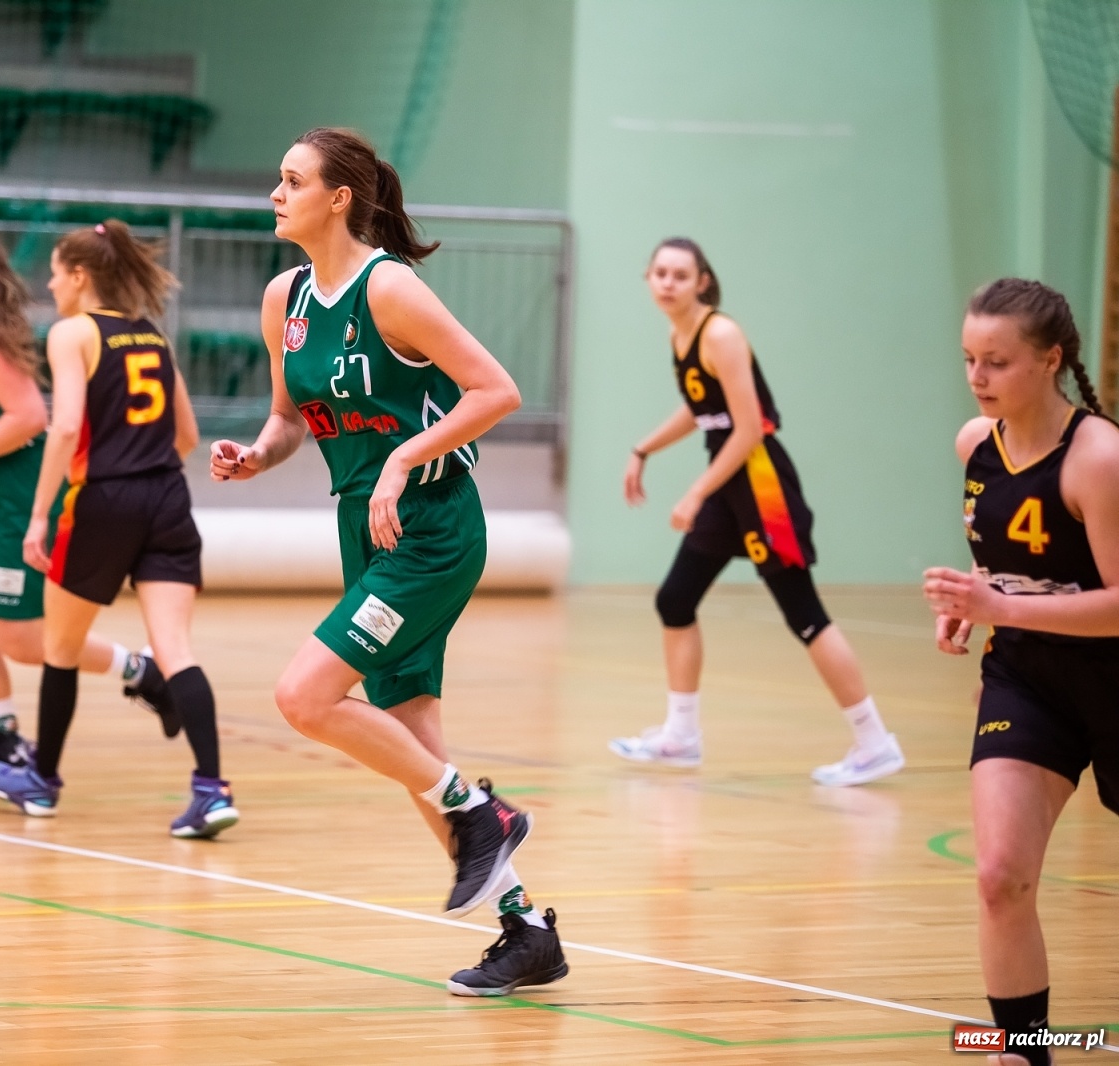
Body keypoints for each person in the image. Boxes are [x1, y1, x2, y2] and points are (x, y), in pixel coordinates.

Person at [209, 128, 568, 997]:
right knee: (414, 747)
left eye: (291, 180)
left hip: (432, 529)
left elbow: (497, 390)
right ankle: (526, 932)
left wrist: (407, 457)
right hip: (362, 527)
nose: (274, 192)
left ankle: (487, 811)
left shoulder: (391, 289)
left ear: (338, 198)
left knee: (304, 696)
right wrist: (258, 454)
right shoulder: (282, 299)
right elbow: (292, 416)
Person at [612, 238, 903, 786]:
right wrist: (644, 447)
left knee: (804, 613)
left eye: (681, 274)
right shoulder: (682, 335)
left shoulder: (720, 333)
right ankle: (680, 736)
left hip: (762, 483)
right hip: (730, 484)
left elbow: (749, 428)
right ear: (648, 279)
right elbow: (703, 410)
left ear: (703, 281)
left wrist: (696, 491)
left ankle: (874, 741)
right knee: (675, 600)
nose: (668, 282)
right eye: (660, 273)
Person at [0, 219, 236, 839]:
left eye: (53, 272)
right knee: (176, 653)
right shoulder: (151, 335)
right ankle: (212, 790)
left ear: (78, 275)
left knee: (60, 650)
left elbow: (65, 426)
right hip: (167, 496)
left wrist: (40, 513)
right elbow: (187, 437)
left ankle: (42, 782)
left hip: (102, 500)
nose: (47, 283)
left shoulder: (72, 334)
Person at [0, 218, 175, 784]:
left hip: (16, 492)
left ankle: (141, 671)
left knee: (23, 640)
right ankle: (3, 741)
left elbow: (28, 416)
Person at [923, 278, 1119, 1066]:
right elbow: (1009, 566)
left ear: (1051, 360)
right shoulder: (977, 443)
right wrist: (973, 603)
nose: (978, 376)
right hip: (1029, 680)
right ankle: (1022, 1052)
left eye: (996, 362)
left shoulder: (1098, 458)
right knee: (1001, 876)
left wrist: (1002, 607)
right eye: (970, 358)